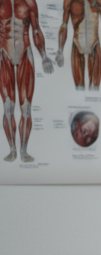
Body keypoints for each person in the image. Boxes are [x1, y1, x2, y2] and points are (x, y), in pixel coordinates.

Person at [1, 0, 53, 163]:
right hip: (4, 55)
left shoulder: (29, 2)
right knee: (8, 108)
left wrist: (44, 56)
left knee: (26, 109)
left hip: (25, 54)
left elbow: (36, 31)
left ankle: (23, 151)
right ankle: (12, 150)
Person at [55, 0, 101, 91]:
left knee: (94, 89)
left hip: (94, 45)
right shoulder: (69, 1)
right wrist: (60, 50)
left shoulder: (99, 2)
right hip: (77, 45)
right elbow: (64, 26)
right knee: (79, 89)